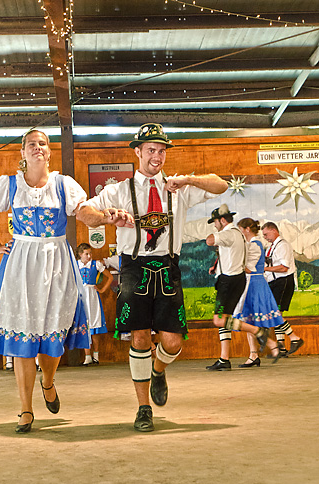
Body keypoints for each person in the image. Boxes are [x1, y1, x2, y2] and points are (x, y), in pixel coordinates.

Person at [77, 122, 228, 432]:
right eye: (151, 150)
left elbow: (221, 185)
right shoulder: (118, 190)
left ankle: (159, 370)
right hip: (133, 266)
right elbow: (83, 213)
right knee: (141, 336)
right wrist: (108, 217)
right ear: (138, 152)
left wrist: (187, 179)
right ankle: (143, 407)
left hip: (168, 266)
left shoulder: (179, 187)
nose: (157, 156)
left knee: (172, 342)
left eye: (161, 150)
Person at [0, 129, 90, 434]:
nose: (37, 148)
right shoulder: (9, 185)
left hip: (57, 261)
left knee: (52, 335)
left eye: (42, 144)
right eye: (31, 144)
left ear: (49, 152)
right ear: (23, 153)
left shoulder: (64, 184)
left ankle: (49, 381)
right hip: (21, 262)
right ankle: (25, 408)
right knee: (23, 336)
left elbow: (83, 210)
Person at [205, 205, 271, 371]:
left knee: (219, 319)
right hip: (236, 279)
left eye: (215, 222)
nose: (214, 225)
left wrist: (216, 235)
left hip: (229, 281)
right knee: (225, 319)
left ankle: (258, 331)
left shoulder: (228, 233)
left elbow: (210, 240)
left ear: (222, 220)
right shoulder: (239, 235)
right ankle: (224, 359)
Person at [233, 218, 285, 366]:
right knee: (248, 320)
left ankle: (267, 347)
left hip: (254, 283)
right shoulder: (250, 244)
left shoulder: (255, 245)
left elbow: (249, 268)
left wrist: (233, 263)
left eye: (241, 230)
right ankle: (254, 354)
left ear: (247, 229)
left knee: (249, 320)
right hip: (251, 282)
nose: (241, 233)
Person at [262, 222, 304, 355]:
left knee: (275, 313)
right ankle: (281, 347)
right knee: (276, 313)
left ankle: (294, 338)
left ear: (274, 230)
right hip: (274, 282)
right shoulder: (272, 247)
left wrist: (264, 269)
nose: (265, 237)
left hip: (283, 281)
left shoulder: (283, 245)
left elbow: (283, 267)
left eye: (266, 234)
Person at [76, 242, 113, 366]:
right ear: (80, 254)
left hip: (92, 295)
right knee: (84, 325)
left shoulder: (95, 264)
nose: (89, 256)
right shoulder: (76, 265)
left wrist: (102, 290)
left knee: (94, 327)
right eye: (87, 253)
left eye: (90, 253)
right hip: (81, 297)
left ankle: (96, 355)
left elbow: (110, 277)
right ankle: (87, 356)